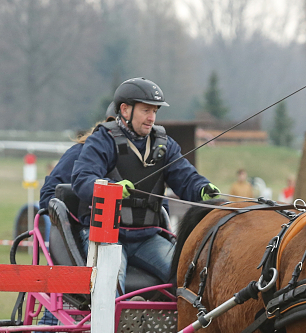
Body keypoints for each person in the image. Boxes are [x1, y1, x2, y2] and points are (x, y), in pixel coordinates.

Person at [71, 77, 220, 291]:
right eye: (146, 111)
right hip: (106, 237)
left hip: (148, 237)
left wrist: (202, 189)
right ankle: (114, 323)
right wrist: (110, 188)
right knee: (110, 283)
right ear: (124, 110)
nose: (152, 118)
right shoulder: (102, 140)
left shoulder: (165, 144)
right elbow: (82, 178)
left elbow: (186, 177)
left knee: (190, 279)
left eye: (155, 112)